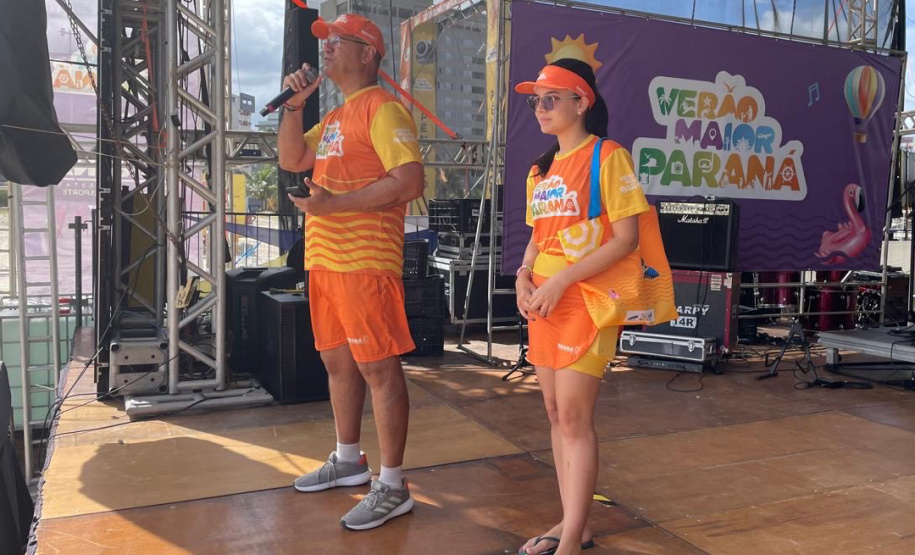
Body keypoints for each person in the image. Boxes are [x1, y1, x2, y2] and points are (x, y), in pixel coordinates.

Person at [277, 13, 424, 531]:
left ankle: (393, 484)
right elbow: (293, 156)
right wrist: (293, 105)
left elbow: (409, 181)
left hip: (364, 262)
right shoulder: (338, 115)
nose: (326, 48)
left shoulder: (382, 108)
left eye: (336, 41)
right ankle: (347, 459)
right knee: (337, 363)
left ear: (367, 53)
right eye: (325, 41)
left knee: (379, 369)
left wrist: (333, 206)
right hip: (325, 260)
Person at [514, 58, 650, 555]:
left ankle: (571, 537)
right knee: (555, 413)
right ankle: (573, 523)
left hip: (587, 300)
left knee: (573, 416)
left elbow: (626, 238)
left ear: (581, 102)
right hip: (544, 302)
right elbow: (537, 239)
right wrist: (523, 276)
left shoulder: (608, 156)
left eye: (551, 99)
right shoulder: (540, 170)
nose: (541, 108)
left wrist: (561, 281)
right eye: (536, 101)